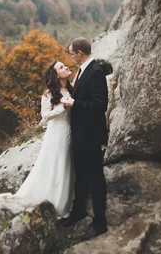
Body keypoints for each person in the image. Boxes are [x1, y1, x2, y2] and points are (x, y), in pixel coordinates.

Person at [0, 60, 75, 220]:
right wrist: (61, 107)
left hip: (70, 132)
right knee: (55, 164)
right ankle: (52, 201)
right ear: (55, 75)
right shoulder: (49, 94)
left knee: (67, 165)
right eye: (61, 67)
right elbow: (44, 117)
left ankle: (65, 201)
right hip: (56, 133)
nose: (66, 67)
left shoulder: (72, 89)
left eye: (64, 65)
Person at [60, 37, 109, 241]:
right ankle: (78, 211)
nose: (70, 57)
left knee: (96, 177)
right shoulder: (81, 72)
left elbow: (100, 105)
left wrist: (74, 104)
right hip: (80, 134)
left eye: (71, 53)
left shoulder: (96, 72)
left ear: (80, 53)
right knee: (81, 175)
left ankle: (100, 222)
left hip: (90, 135)